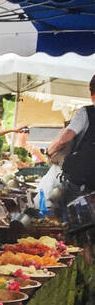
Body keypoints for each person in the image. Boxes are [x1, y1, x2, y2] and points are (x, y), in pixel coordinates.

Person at [41, 76, 95, 214]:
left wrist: (50, 150)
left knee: (73, 220)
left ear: (91, 92)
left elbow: (66, 137)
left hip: (84, 179)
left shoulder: (86, 113)